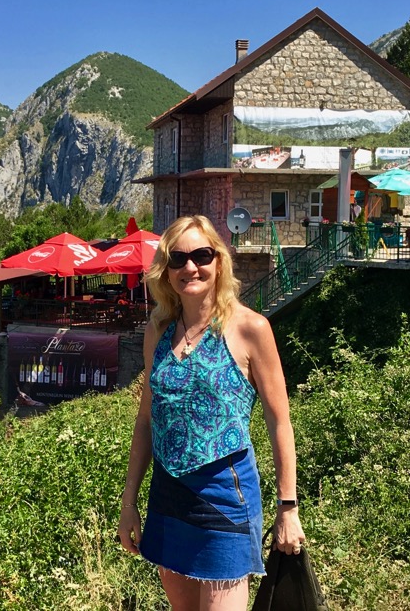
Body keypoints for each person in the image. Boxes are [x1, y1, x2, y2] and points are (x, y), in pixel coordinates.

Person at [118, 215, 305, 610]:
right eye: (177, 258)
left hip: (225, 499)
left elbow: (279, 422)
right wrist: (129, 502)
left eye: (201, 255)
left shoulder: (249, 328)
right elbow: (147, 419)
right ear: (165, 271)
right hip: (168, 496)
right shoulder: (159, 331)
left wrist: (287, 507)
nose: (190, 267)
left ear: (219, 261)